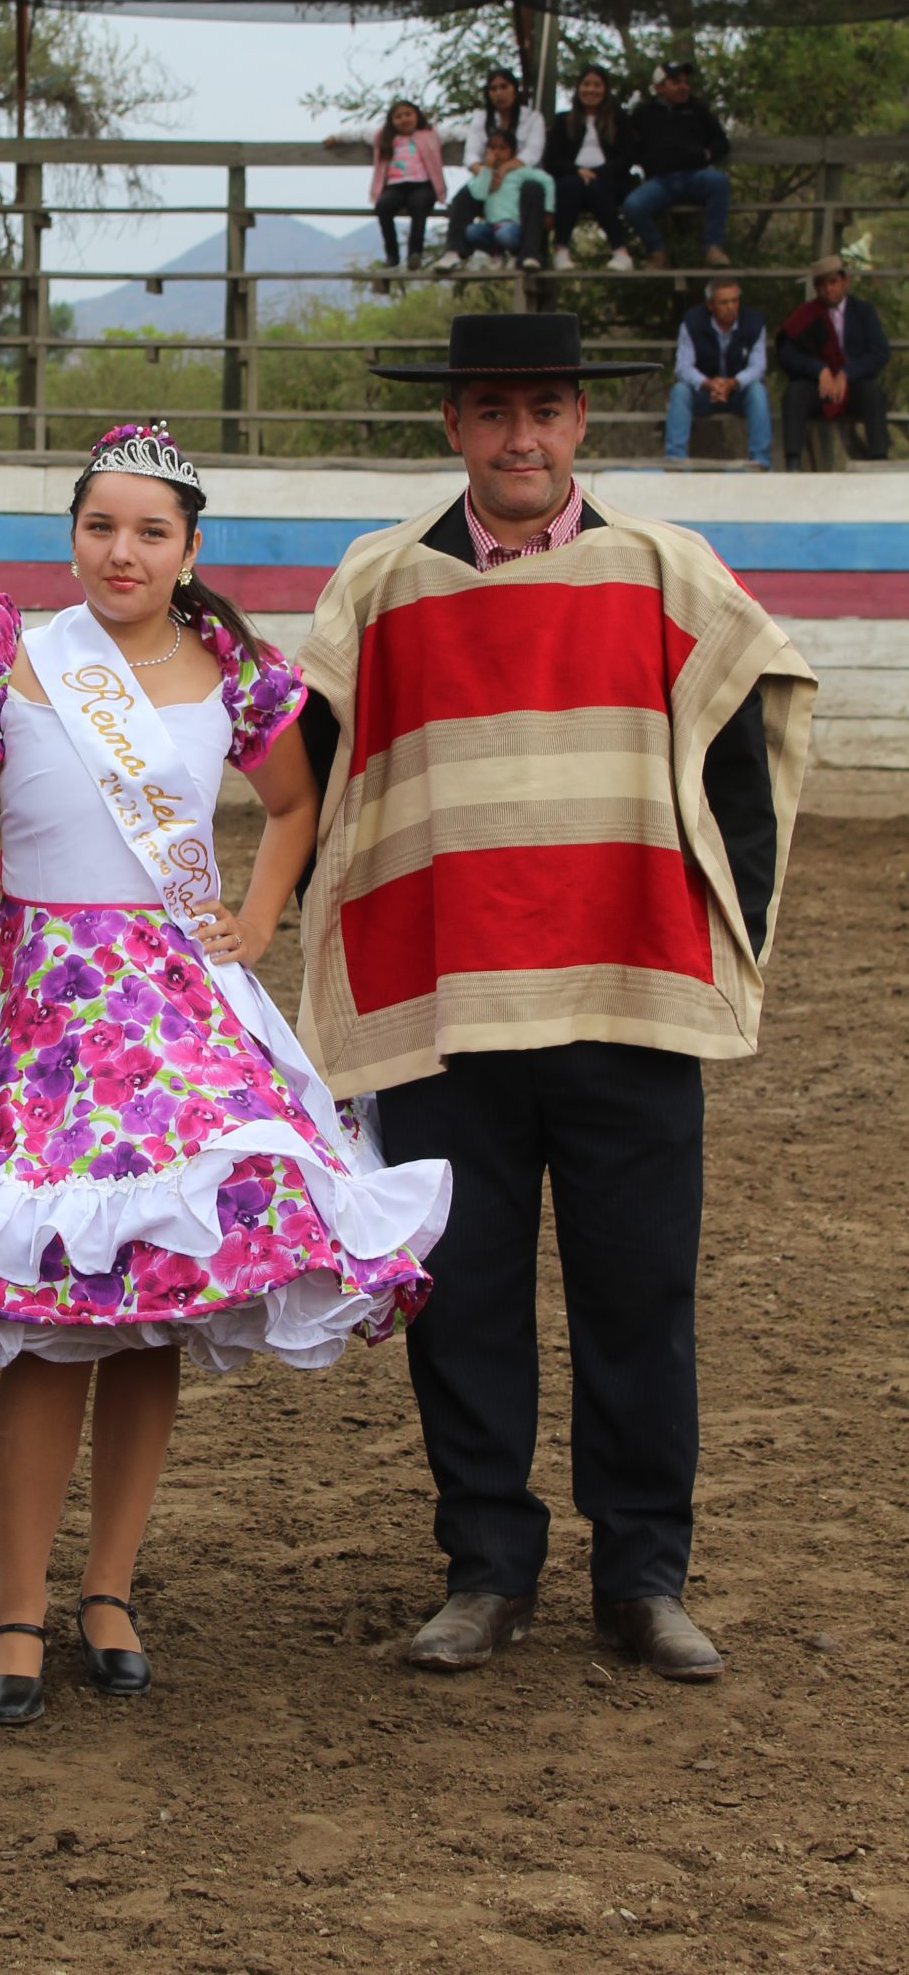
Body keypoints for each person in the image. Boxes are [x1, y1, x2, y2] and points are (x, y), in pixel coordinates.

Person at [0, 423, 450, 1727]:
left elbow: (295, 804)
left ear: (189, 548)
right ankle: (18, 1603)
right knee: (51, 1318)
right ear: (71, 536)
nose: (121, 552)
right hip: (43, 1016)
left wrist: (255, 920)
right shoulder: (7, 659)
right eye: (100, 527)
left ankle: (110, 1590)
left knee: (153, 1304)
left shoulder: (231, 672)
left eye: (150, 532)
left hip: (176, 1016)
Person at [295, 314, 815, 1686]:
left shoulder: (665, 569)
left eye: (543, 410)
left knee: (637, 1296)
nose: (518, 437)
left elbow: (745, 752)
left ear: (579, 421)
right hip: (442, 1004)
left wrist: (721, 927)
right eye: (491, 410)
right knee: (459, 1298)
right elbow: (309, 770)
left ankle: (642, 1579)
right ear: (452, 424)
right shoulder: (380, 581)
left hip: (622, 994)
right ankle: (485, 1570)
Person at [777, 256, 894, 465]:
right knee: (794, 394)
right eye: (822, 285)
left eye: (833, 282)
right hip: (818, 386)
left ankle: (879, 458)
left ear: (844, 281)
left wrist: (847, 373)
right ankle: (793, 461)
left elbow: (879, 352)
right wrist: (819, 370)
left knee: (873, 393)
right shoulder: (806, 314)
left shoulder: (863, 311)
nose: (828, 289)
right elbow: (786, 353)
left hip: (853, 385)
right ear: (816, 288)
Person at [622, 59, 732, 270]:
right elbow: (628, 146)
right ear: (659, 87)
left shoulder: (698, 109)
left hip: (695, 176)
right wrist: (647, 159)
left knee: (719, 182)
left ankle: (713, 248)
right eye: (676, 82)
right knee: (633, 205)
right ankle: (657, 252)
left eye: (685, 82)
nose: (683, 87)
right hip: (659, 182)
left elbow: (721, 142)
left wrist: (707, 154)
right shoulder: (643, 113)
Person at [436, 67, 548, 271]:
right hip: (489, 179)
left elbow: (532, 154)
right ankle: (454, 251)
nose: (499, 93)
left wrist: (504, 170)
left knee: (534, 190)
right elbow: (471, 155)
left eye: (504, 87)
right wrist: (485, 172)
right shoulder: (481, 119)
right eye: (493, 89)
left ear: (514, 89)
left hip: (521, 177)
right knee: (464, 196)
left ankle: (530, 254)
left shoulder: (532, 118)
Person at [665, 274, 773, 470]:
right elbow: (683, 366)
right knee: (680, 390)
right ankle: (675, 462)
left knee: (757, 390)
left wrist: (733, 383)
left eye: (735, 301)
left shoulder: (754, 323)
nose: (731, 307)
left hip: (738, 392)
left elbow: (758, 366)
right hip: (704, 392)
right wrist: (708, 383)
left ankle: (760, 462)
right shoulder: (692, 322)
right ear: (710, 305)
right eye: (724, 302)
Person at [546, 64, 638, 270]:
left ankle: (620, 252)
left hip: (610, 179)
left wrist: (598, 173)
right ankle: (561, 250)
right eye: (586, 84)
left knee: (599, 188)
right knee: (569, 186)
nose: (591, 90)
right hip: (572, 178)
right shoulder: (563, 120)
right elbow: (553, 158)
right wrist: (577, 171)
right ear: (578, 88)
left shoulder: (618, 119)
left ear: (605, 89)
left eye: (597, 85)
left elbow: (627, 157)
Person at [368, 97, 447, 269]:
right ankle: (392, 255)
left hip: (422, 184)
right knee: (383, 206)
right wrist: (336, 137)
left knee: (419, 205)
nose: (404, 119)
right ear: (391, 121)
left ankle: (415, 253)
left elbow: (456, 133)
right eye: (398, 117)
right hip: (395, 185)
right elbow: (358, 134)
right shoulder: (385, 137)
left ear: (417, 115)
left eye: (408, 114)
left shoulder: (429, 134)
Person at [454, 129, 555, 263]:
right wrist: (487, 170)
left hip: (512, 225)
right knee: (471, 231)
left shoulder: (519, 172)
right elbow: (479, 195)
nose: (497, 152)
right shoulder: (484, 173)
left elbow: (547, 180)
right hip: (491, 225)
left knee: (505, 235)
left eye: (502, 148)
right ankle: (497, 254)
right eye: (492, 148)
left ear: (511, 151)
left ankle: (515, 253)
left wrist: (549, 209)